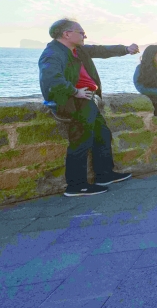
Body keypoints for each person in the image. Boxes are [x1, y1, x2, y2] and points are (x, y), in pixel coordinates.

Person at [38, 19, 137, 196]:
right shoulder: (52, 53)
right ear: (67, 34)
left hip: (86, 100)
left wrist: (125, 49)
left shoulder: (77, 49)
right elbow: (51, 80)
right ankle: (76, 186)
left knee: (102, 135)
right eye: (81, 32)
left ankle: (104, 175)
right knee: (81, 141)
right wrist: (75, 91)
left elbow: (101, 50)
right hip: (74, 102)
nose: (85, 35)